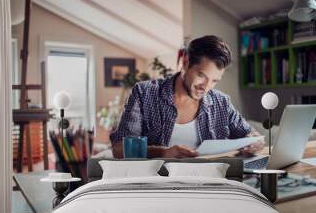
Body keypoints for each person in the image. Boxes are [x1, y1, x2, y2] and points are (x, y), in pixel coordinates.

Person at [110, 35, 264, 158]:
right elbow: (118, 149)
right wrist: (163, 153)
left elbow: (250, 135)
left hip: (210, 184)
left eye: (215, 80)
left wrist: (255, 142)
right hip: (158, 185)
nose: (206, 86)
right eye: (201, 75)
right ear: (185, 63)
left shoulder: (221, 102)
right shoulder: (144, 93)